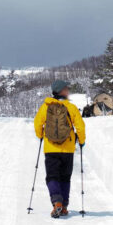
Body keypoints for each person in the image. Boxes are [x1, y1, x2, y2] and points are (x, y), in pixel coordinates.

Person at [34, 80, 87, 218]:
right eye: (66, 88)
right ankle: (63, 206)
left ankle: (56, 201)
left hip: (51, 148)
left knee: (52, 177)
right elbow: (80, 127)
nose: (68, 90)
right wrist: (81, 141)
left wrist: (41, 135)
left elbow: (37, 123)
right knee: (65, 178)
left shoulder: (46, 106)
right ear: (61, 91)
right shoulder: (71, 107)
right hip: (68, 149)